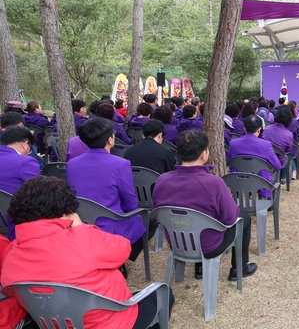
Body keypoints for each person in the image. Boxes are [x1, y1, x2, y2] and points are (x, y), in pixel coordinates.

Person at [1, 175, 174, 328]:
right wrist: (80, 227)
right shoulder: (82, 238)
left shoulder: (10, 255)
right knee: (164, 295)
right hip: (113, 320)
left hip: (53, 322)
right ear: (64, 211)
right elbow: (123, 249)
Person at [152, 130, 257, 281]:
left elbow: (158, 213)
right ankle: (239, 268)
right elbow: (230, 218)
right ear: (204, 154)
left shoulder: (162, 180)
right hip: (208, 246)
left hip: (176, 242)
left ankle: (200, 268)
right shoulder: (214, 183)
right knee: (243, 219)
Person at [66, 117, 148, 262]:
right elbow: (130, 203)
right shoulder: (120, 164)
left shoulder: (72, 164)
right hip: (111, 225)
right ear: (110, 139)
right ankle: (119, 258)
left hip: (81, 222)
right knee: (146, 222)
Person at [227, 115, 283, 198]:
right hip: (261, 181)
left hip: (238, 179)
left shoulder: (233, 143)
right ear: (259, 129)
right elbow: (277, 166)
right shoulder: (266, 145)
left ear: (244, 128)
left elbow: (229, 161)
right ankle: (266, 200)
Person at [262, 106, 294, 182]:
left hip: (264, 159)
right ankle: (281, 178)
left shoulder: (267, 129)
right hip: (279, 161)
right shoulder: (289, 135)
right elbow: (288, 150)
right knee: (285, 157)